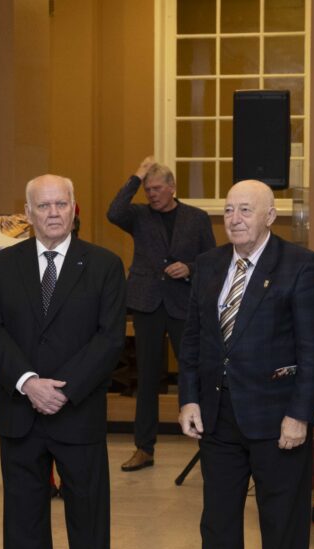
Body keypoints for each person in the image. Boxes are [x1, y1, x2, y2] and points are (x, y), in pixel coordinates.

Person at [174, 179, 314, 549]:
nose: (235, 219)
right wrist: (189, 398)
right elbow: (193, 338)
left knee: (281, 519)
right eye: (228, 210)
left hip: (277, 416)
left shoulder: (300, 265)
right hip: (218, 415)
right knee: (217, 520)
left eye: (245, 210)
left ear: (269, 216)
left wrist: (300, 413)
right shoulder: (208, 264)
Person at [0, 174, 126, 549]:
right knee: (23, 517)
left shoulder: (104, 264)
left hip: (76, 410)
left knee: (87, 518)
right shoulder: (5, 264)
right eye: (43, 206)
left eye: (62, 203)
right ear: (28, 213)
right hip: (21, 411)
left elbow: (109, 338)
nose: (54, 212)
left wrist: (64, 389)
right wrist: (28, 382)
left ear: (74, 207)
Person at [107, 156, 216, 472]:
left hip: (184, 304)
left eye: (156, 188)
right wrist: (137, 175)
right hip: (147, 303)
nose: (151, 194)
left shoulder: (196, 218)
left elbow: (211, 261)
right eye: (148, 189)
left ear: (172, 188)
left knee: (193, 372)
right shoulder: (138, 215)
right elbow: (114, 211)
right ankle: (144, 448)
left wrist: (190, 268)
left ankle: (210, 444)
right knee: (146, 378)